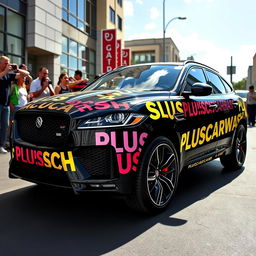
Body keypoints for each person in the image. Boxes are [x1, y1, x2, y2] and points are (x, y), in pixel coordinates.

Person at [0, 56, 29, 153]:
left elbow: (26, 74)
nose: (8, 65)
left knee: (5, 125)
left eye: (9, 63)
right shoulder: (4, 73)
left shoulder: (9, 74)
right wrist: (6, 71)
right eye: (5, 63)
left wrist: (17, 69)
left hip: (6, 105)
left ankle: (1, 145)